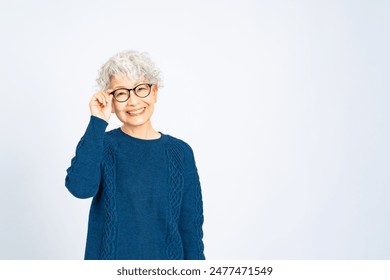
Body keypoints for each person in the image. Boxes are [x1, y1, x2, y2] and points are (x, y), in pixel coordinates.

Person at [65, 50, 205, 260]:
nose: (133, 101)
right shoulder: (101, 144)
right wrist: (97, 122)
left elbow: (191, 231)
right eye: (121, 93)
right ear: (110, 100)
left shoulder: (180, 153)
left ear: (155, 92)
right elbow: (80, 188)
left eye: (141, 89)